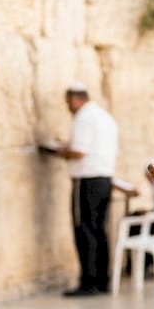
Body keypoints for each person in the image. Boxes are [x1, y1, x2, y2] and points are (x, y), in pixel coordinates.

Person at [47, 83, 118, 297]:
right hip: (104, 178)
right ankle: (103, 280)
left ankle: (88, 282)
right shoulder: (105, 117)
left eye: (68, 102)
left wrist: (58, 151)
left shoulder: (83, 117)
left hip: (86, 180)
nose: (68, 107)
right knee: (99, 229)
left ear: (75, 99)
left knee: (84, 229)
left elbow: (79, 152)